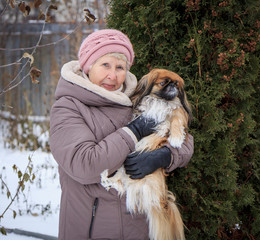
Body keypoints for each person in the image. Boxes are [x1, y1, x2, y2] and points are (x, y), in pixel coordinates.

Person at [49, 29, 194, 240]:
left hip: (140, 228)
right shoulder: (68, 107)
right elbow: (84, 165)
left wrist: (166, 155)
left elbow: (184, 139)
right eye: (105, 65)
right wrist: (133, 131)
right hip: (93, 229)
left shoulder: (134, 100)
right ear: (88, 66)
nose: (112, 75)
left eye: (120, 67)